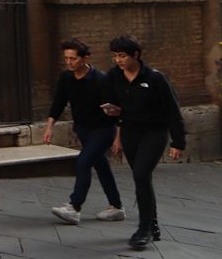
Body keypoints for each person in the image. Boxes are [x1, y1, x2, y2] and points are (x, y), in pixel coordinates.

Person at [100, 34, 185, 251]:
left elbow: (173, 111)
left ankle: (144, 228)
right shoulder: (113, 76)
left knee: (141, 174)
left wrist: (178, 142)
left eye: (122, 56)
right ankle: (152, 224)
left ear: (135, 55)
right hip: (130, 132)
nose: (118, 61)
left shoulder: (155, 78)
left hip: (154, 133)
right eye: (115, 56)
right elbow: (111, 102)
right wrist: (112, 112)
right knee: (141, 180)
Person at [43, 38, 125, 225]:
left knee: (83, 162)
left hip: (103, 130)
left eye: (73, 59)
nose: (69, 62)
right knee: (101, 166)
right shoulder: (66, 78)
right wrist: (49, 127)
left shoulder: (100, 80)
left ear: (85, 58)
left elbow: (116, 110)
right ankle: (117, 207)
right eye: (67, 58)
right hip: (82, 129)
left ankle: (74, 207)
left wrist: (118, 137)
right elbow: (58, 103)